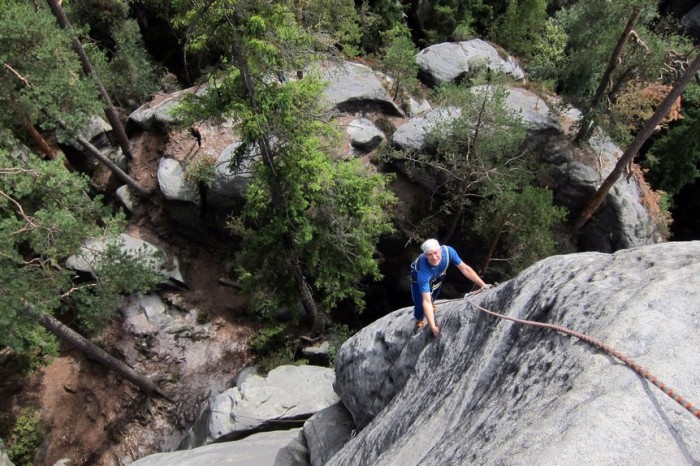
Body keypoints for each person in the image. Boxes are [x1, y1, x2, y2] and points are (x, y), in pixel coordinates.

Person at [410, 238, 491, 337]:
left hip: (438, 274)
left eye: (435, 252)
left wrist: (483, 285)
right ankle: (419, 319)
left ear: (440, 250)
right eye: (430, 254)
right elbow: (426, 301)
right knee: (420, 303)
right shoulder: (423, 271)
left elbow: (465, 268)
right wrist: (433, 327)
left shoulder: (449, 252)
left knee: (434, 295)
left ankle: (431, 307)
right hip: (418, 280)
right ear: (425, 255)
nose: (434, 257)